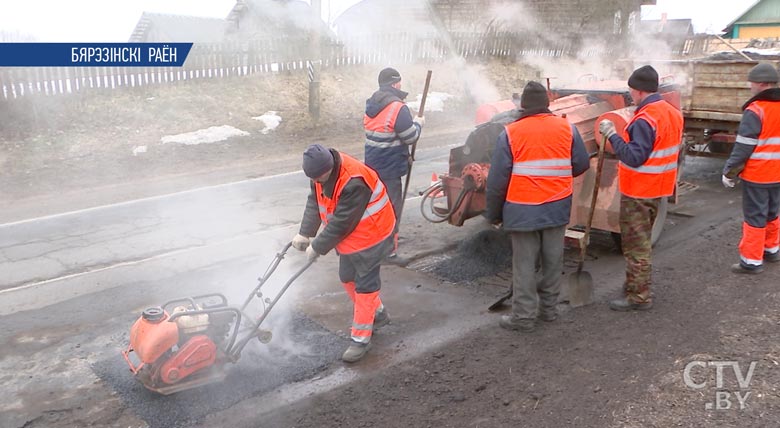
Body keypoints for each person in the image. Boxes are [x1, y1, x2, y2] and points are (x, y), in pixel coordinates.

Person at [485, 81, 590, 332]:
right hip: (556, 207)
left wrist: (494, 213)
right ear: (547, 104)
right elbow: (581, 164)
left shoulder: (510, 133)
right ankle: (549, 311)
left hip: (522, 210)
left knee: (524, 265)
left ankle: (523, 317)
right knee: (553, 261)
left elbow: (497, 180)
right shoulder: (568, 128)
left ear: (522, 105)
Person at [292, 144, 396, 362]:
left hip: (373, 234)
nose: (317, 182)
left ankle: (361, 340)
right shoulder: (320, 172)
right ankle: (378, 314)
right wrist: (304, 233)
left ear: (330, 167)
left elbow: (342, 222)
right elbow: (315, 200)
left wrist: (318, 247)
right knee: (347, 277)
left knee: (365, 286)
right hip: (353, 237)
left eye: (320, 178)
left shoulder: (354, 181)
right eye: (314, 179)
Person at [598, 65, 684, 311]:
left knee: (637, 246)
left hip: (639, 191)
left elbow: (634, 157)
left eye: (631, 91)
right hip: (659, 187)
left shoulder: (644, 119)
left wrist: (613, 135)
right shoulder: (672, 112)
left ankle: (639, 297)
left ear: (638, 91)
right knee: (642, 242)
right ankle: (635, 285)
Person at [722, 62, 780, 274]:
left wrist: (729, 172)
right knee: (773, 212)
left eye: (752, 83)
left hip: (759, 174)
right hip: (777, 173)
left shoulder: (755, 111)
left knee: (755, 216)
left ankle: (751, 261)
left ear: (762, 84)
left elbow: (743, 148)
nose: (750, 87)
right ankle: (772, 249)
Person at [364, 67, 425, 258]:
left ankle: (374, 243)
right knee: (391, 208)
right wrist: (419, 123)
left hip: (372, 165)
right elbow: (410, 137)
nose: (401, 84)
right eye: (399, 81)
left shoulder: (372, 103)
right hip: (390, 168)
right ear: (394, 83)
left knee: (375, 206)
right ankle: (388, 250)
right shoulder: (398, 107)